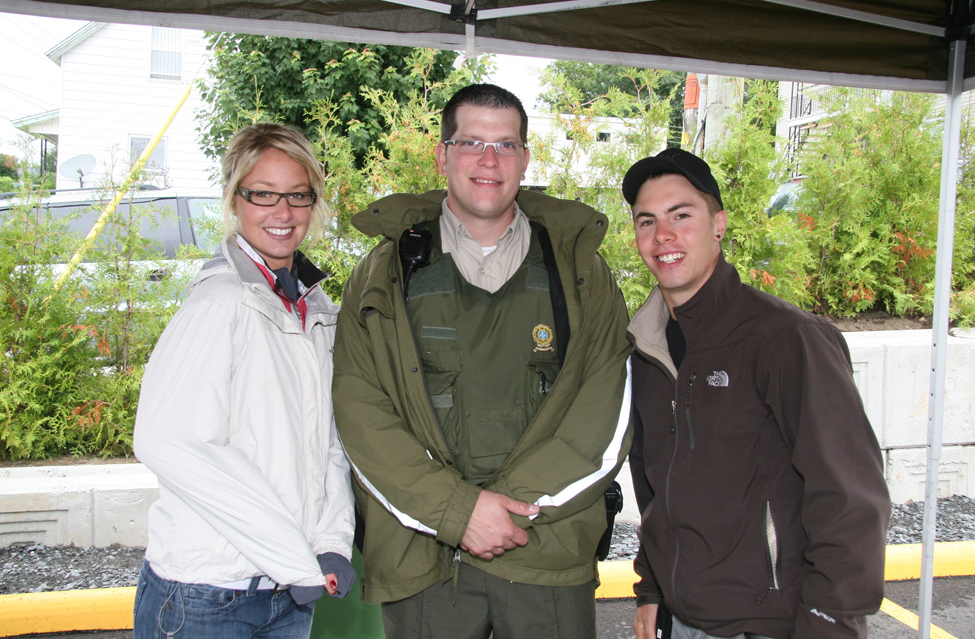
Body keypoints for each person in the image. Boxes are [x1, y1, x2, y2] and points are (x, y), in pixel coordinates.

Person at [332, 83, 632, 639]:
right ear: (443, 155)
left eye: (506, 145)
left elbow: (606, 410)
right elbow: (359, 414)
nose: (489, 160)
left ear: (525, 157)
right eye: (472, 142)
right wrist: (458, 512)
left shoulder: (580, 271)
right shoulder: (383, 275)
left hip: (546, 552)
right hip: (425, 559)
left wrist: (503, 514)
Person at [623, 148, 891, 639]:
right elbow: (655, 487)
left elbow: (850, 499)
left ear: (718, 224)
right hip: (680, 623)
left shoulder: (785, 339)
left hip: (775, 625)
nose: (663, 235)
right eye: (647, 221)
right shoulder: (646, 347)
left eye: (682, 215)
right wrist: (652, 591)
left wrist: (830, 624)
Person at [132, 123, 356, 639]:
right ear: (235, 200)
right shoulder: (220, 303)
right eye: (263, 194)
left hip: (287, 598)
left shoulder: (313, 309)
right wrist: (295, 559)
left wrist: (330, 542)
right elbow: (169, 442)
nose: (283, 212)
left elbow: (326, 443)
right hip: (206, 599)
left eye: (298, 195)